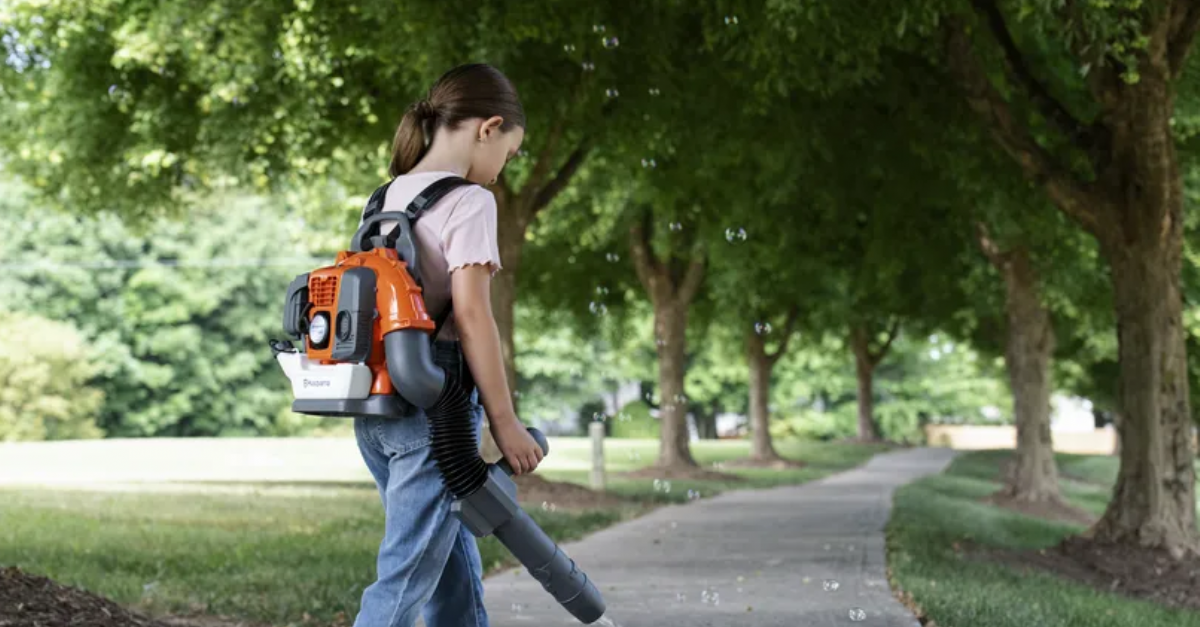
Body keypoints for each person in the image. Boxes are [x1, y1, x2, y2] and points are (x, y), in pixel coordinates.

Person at [352, 62, 544, 627]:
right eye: (508, 156)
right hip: (436, 413)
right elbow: (472, 314)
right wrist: (505, 422)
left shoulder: (383, 198)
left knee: (449, 571)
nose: (502, 173)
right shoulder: (469, 201)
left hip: (377, 409)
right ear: (488, 128)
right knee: (404, 582)